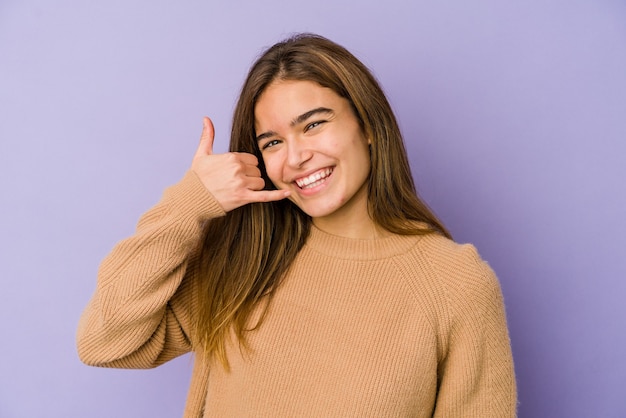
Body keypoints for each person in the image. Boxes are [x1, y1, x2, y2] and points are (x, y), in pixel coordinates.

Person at [77, 33, 517, 417]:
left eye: (314, 124)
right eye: (273, 142)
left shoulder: (456, 285)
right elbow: (103, 341)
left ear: (367, 124)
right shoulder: (246, 261)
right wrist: (187, 205)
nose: (295, 157)